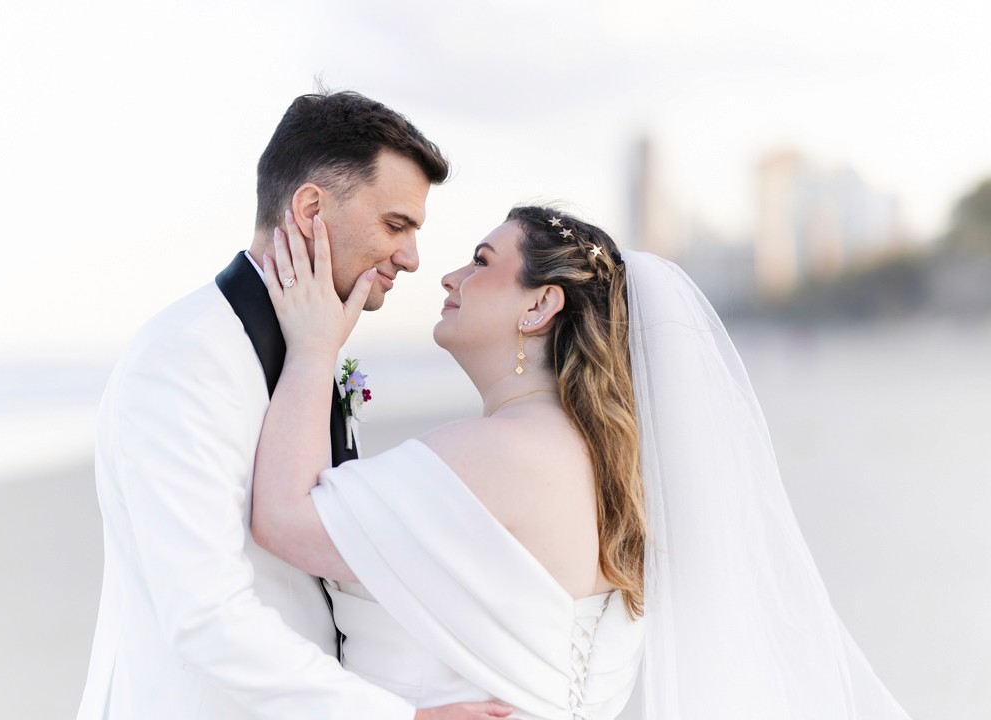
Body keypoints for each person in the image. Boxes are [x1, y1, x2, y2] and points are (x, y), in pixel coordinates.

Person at [251, 205, 916, 719]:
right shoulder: (608, 471)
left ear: (541, 304)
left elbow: (284, 519)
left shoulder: (504, 454)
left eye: (481, 261)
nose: (449, 277)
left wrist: (312, 350)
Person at [77, 90, 513, 720]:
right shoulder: (185, 357)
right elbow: (204, 616)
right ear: (310, 208)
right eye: (397, 225)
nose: (413, 258)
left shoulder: (315, 348)